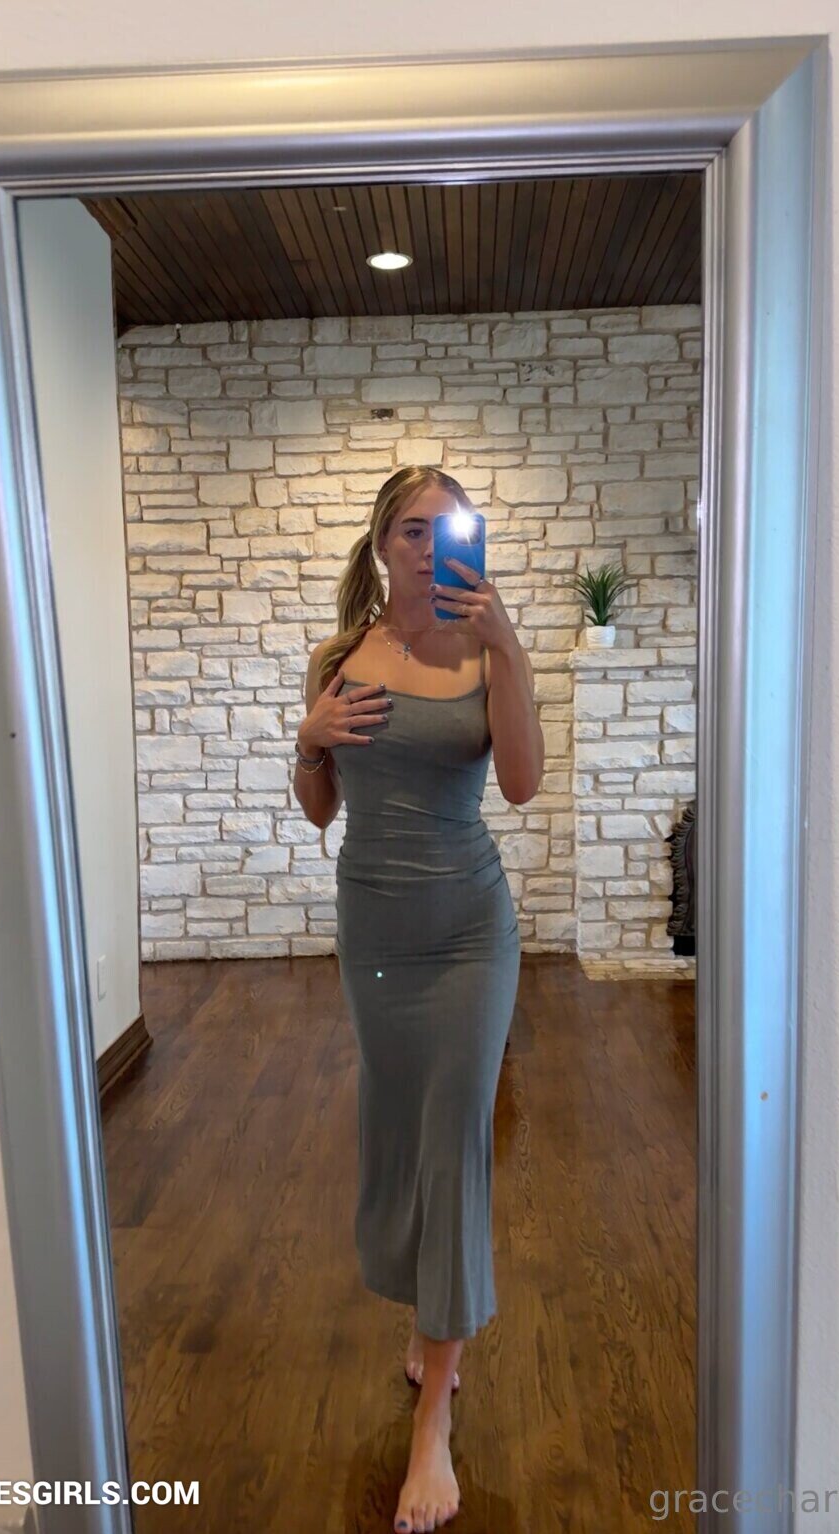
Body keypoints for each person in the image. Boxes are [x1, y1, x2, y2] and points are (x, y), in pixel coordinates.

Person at [292, 466, 542, 1533]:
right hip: (377, 939)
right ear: (380, 544)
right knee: (400, 1133)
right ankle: (429, 1316)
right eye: (410, 530)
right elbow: (319, 808)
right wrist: (307, 737)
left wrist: (512, 648)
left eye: (450, 530)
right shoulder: (339, 658)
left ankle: (432, 1419)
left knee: (452, 1142)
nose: (431, 547)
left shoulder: (487, 653)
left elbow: (521, 783)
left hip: (471, 934)